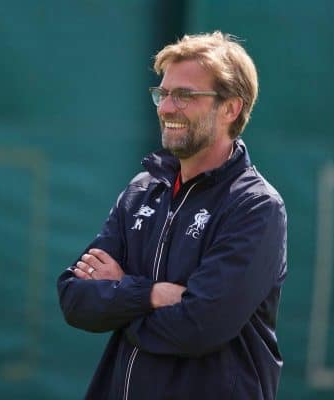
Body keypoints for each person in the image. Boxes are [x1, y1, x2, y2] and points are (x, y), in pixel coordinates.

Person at [57, 31, 287, 400]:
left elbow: (199, 326)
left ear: (231, 108)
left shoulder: (256, 206)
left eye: (184, 96)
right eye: (162, 94)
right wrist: (151, 294)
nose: (166, 108)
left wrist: (120, 296)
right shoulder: (143, 189)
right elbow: (74, 297)